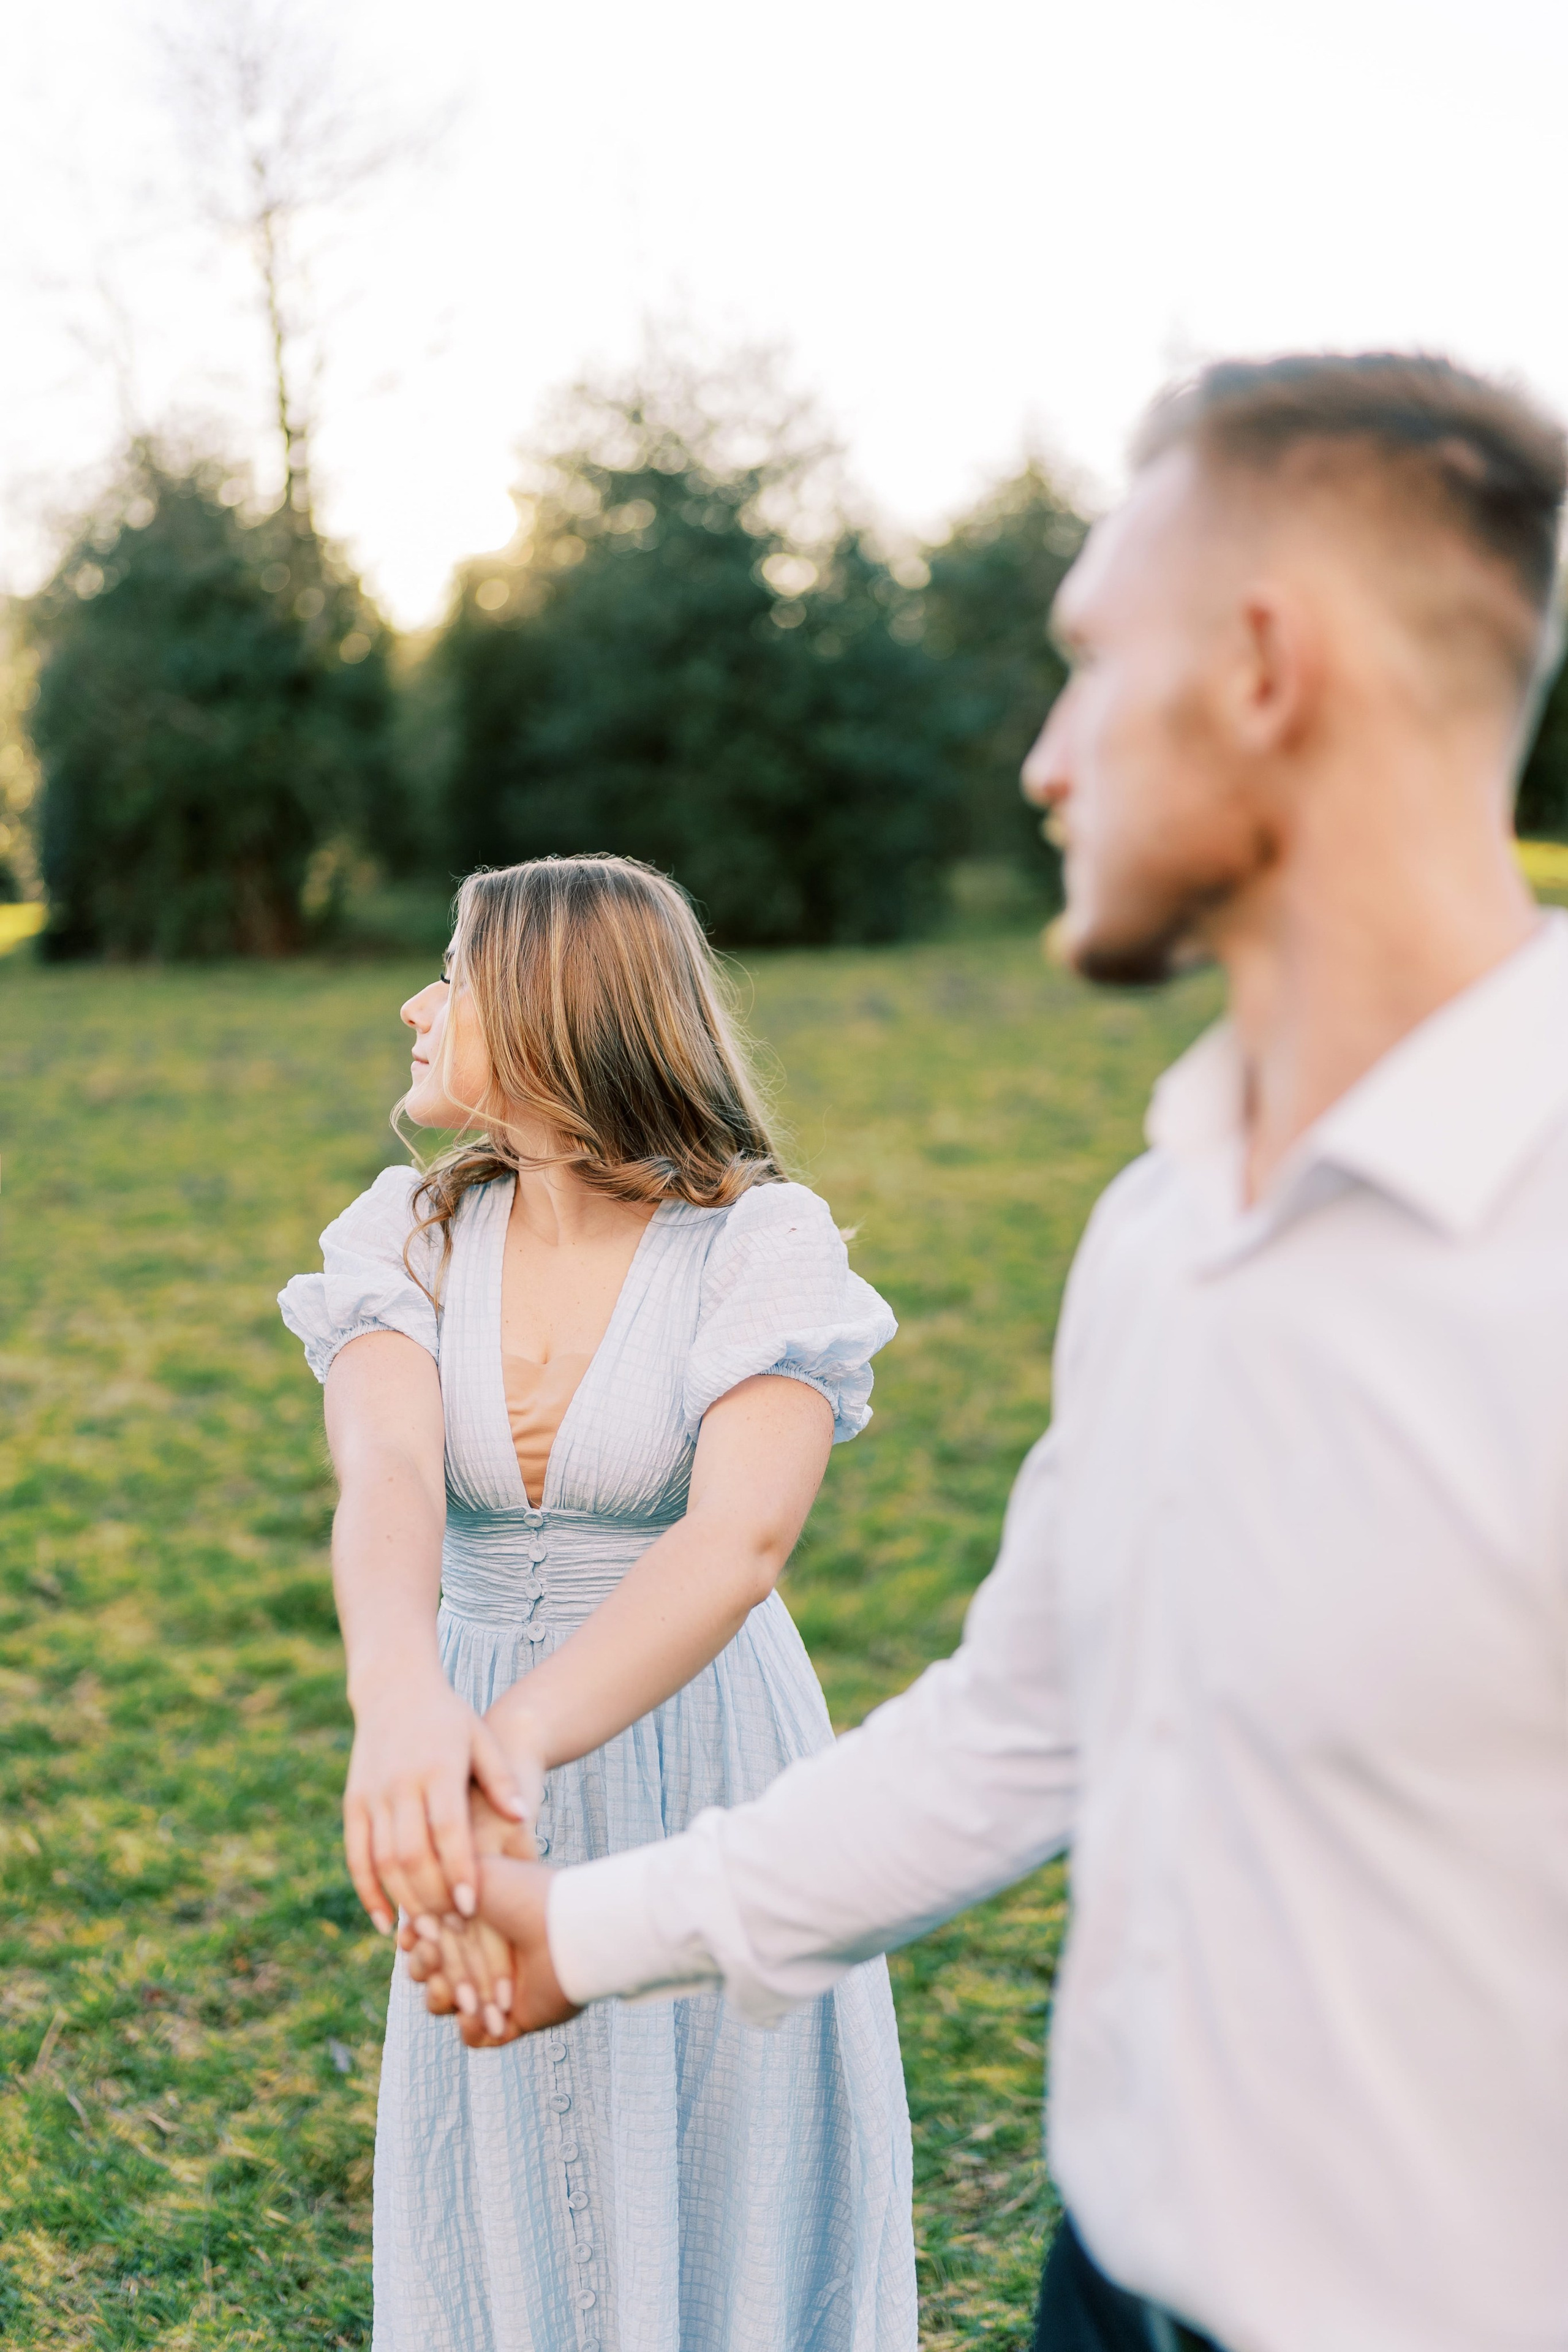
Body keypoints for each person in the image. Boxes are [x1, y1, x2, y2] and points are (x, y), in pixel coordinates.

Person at [412, 355, 1568, 2352]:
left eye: (1089, 664)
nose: (1043, 762)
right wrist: (581, 1938)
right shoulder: (1163, 1225)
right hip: (1108, 2289)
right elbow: (1018, 1727)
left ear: (1266, 669)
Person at [277, 856, 916, 2352]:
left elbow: (736, 1543)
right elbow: (385, 1478)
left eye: (455, 967)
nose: (416, 1003)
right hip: (467, 1726)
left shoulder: (762, 1249)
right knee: (506, 2149)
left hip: (703, 1739)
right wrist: (401, 1706)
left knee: (721, 2131)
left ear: (561, 1015)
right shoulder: (406, 1237)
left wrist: (504, 1740)